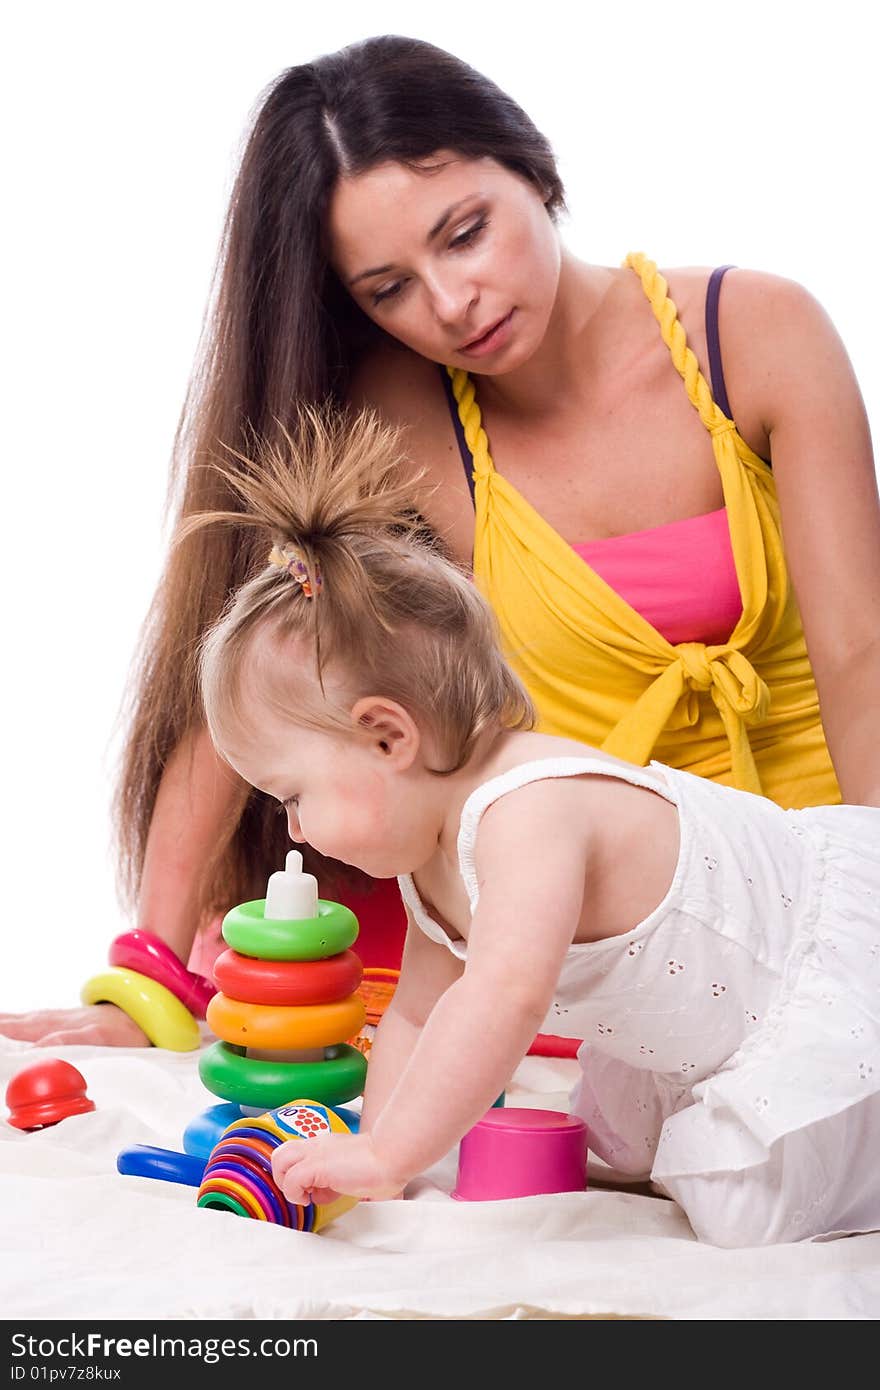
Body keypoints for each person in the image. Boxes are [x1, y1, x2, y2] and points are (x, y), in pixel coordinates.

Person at [3, 33, 878, 1049]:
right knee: (328, 979)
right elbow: (256, 665)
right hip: (593, 907)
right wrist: (144, 983)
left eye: (464, 233)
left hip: (807, 880)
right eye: (389, 289)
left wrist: (863, 931)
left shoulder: (756, 332)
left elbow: (860, 655)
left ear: (532, 167)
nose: (451, 304)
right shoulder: (404, 416)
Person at [190, 405, 879, 1249]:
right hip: (697, 1025)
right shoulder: (429, 862)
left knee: (743, 1209)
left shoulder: (527, 809)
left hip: (803, 970)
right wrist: (383, 1153)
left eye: (292, 793)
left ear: (388, 736)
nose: (293, 832)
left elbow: (504, 996)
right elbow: (415, 1016)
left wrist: (394, 1149)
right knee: (626, 1150)